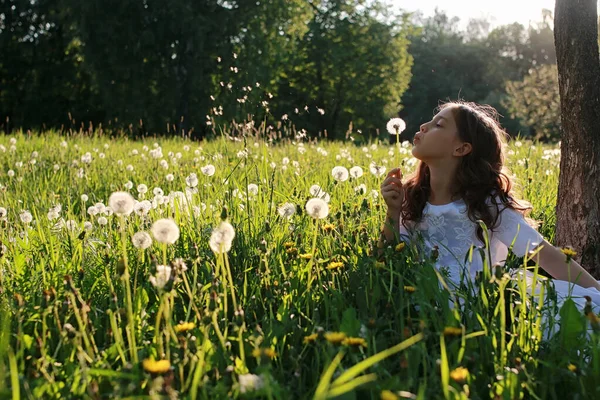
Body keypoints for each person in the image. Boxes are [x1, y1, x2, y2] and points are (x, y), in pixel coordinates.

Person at [378, 101, 600, 330]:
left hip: (482, 312)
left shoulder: (485, 205)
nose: (424, 126)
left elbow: (545, 255)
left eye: (438, 124)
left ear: (461, 149)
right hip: (421, 309)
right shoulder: (412, 198)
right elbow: (385, 260)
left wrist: (596, 291)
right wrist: (393, 211)